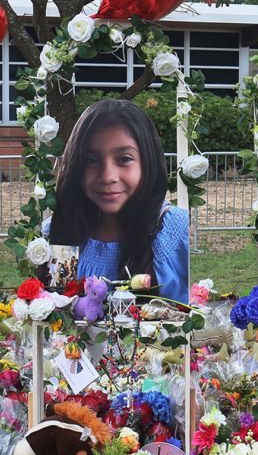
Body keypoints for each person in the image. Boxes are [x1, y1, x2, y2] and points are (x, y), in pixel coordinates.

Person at [47, 98, 189, 303]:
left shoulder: (176, 230)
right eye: (91, 160)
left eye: (124, 159)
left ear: (147, 161)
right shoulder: (56, 231)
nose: (107, 176)